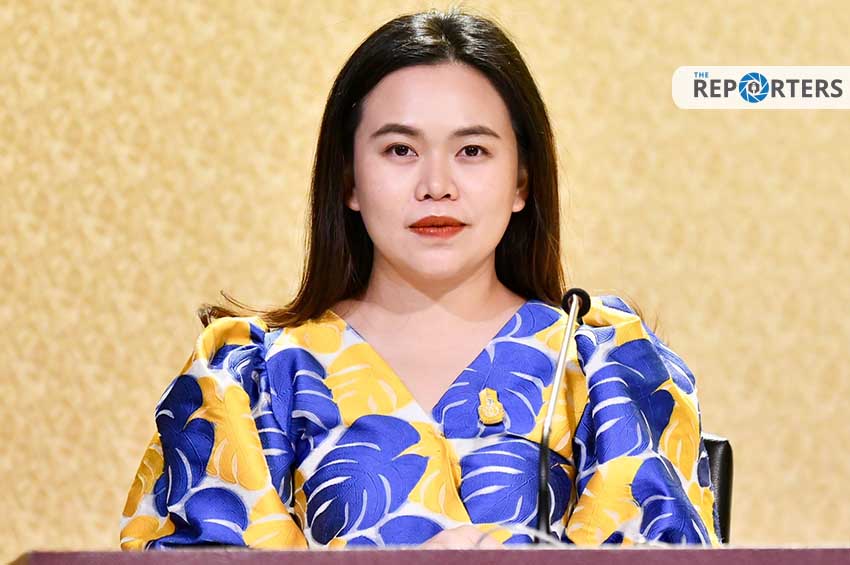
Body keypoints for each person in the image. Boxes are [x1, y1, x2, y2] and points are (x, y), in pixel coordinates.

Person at [119, 8, 720, 550]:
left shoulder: (602, 366)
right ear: (349, 181)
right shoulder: (249, 378)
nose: (436, 185)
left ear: (522, 182)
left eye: (473, 151)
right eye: (400, 150)